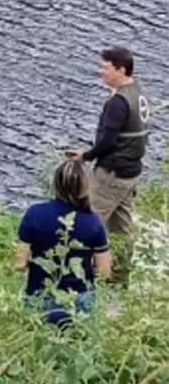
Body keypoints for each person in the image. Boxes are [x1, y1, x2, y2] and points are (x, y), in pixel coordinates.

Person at [71, 46, 149, 286]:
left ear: (121, 69)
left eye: (106, 68)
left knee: (87, 223)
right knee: (122, 230)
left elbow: (107, 141)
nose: (101, 72)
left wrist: (85, 156)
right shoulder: (137, 92)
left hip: (112, 174)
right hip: (131, 172)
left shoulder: (117, 102)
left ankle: (79, 280)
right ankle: (119, 279)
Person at [15, 159, 111, 327]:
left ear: (56, 184)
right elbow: (104, 272)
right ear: (85, 187)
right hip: (78, 302)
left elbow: (19, 264)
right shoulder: (95, 223)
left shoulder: (34, 214)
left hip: (39, 297)